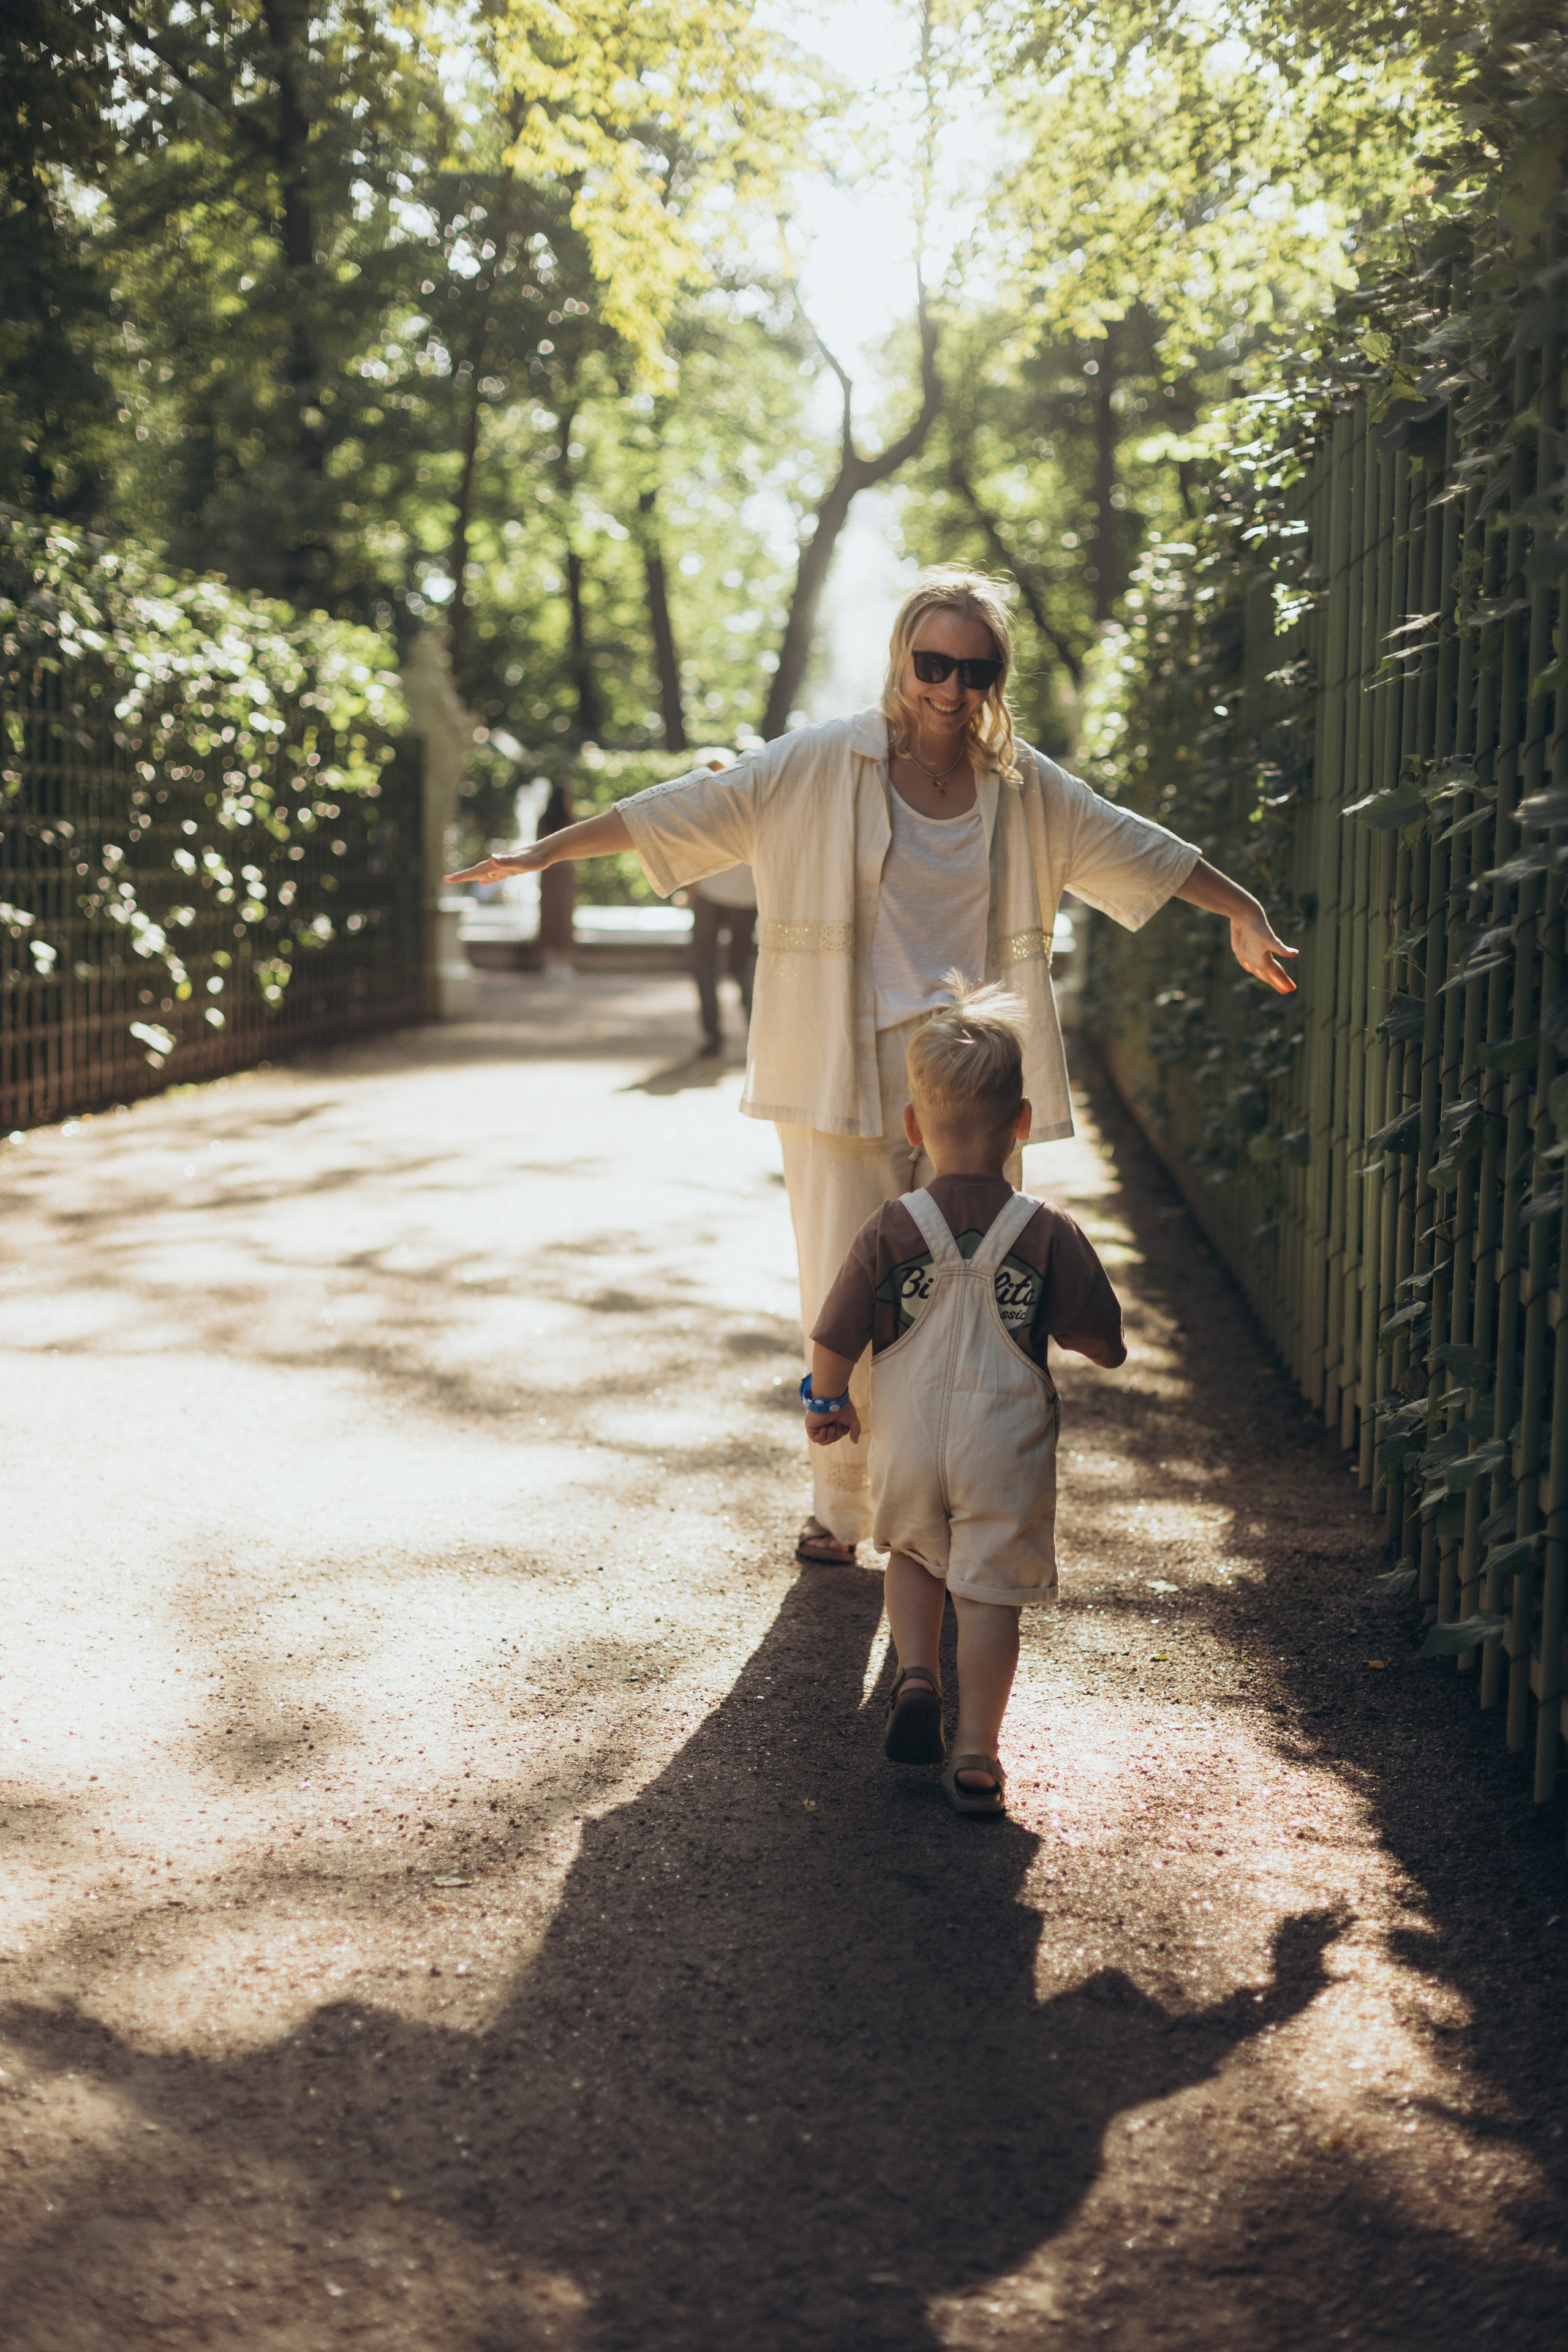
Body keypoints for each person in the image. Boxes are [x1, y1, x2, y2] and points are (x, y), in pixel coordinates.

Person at [446, 567, 1297, 1567]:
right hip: (835, 1063)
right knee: (845, 1284)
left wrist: (1242, 907)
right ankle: (840, 1505)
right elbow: (679, 808)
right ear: (902, 659)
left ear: (995, 678)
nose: (951, 689)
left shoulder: (1024, 786)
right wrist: (538, 857)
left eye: (974, 670)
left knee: (970, 1290)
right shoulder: (815, 763)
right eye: (932, 664)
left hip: (973, 1075)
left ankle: (938, 1501)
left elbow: (1133, 843)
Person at [800, 976, 1125, 1813]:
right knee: (988, 1590)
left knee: (911, 1550)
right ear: (1022, 1124)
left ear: (913, 1128)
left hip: (909, 1433)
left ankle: (915, 1673)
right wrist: (1077, 1327)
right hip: (1003, 1442)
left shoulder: (894, 1225)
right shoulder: (1047, 1230)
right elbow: (1103, 1343)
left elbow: (836, 1333)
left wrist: (827, 1403)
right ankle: (977, 1752)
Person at [679, 747, 757, 1055]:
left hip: (712, 897)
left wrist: (690, 889)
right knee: (741, 967)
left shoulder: (705, 807)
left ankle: (713, 1037)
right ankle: (754, 1034)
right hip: (745, 899)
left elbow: (691, 853)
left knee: (705, 966)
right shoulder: (759, 803)